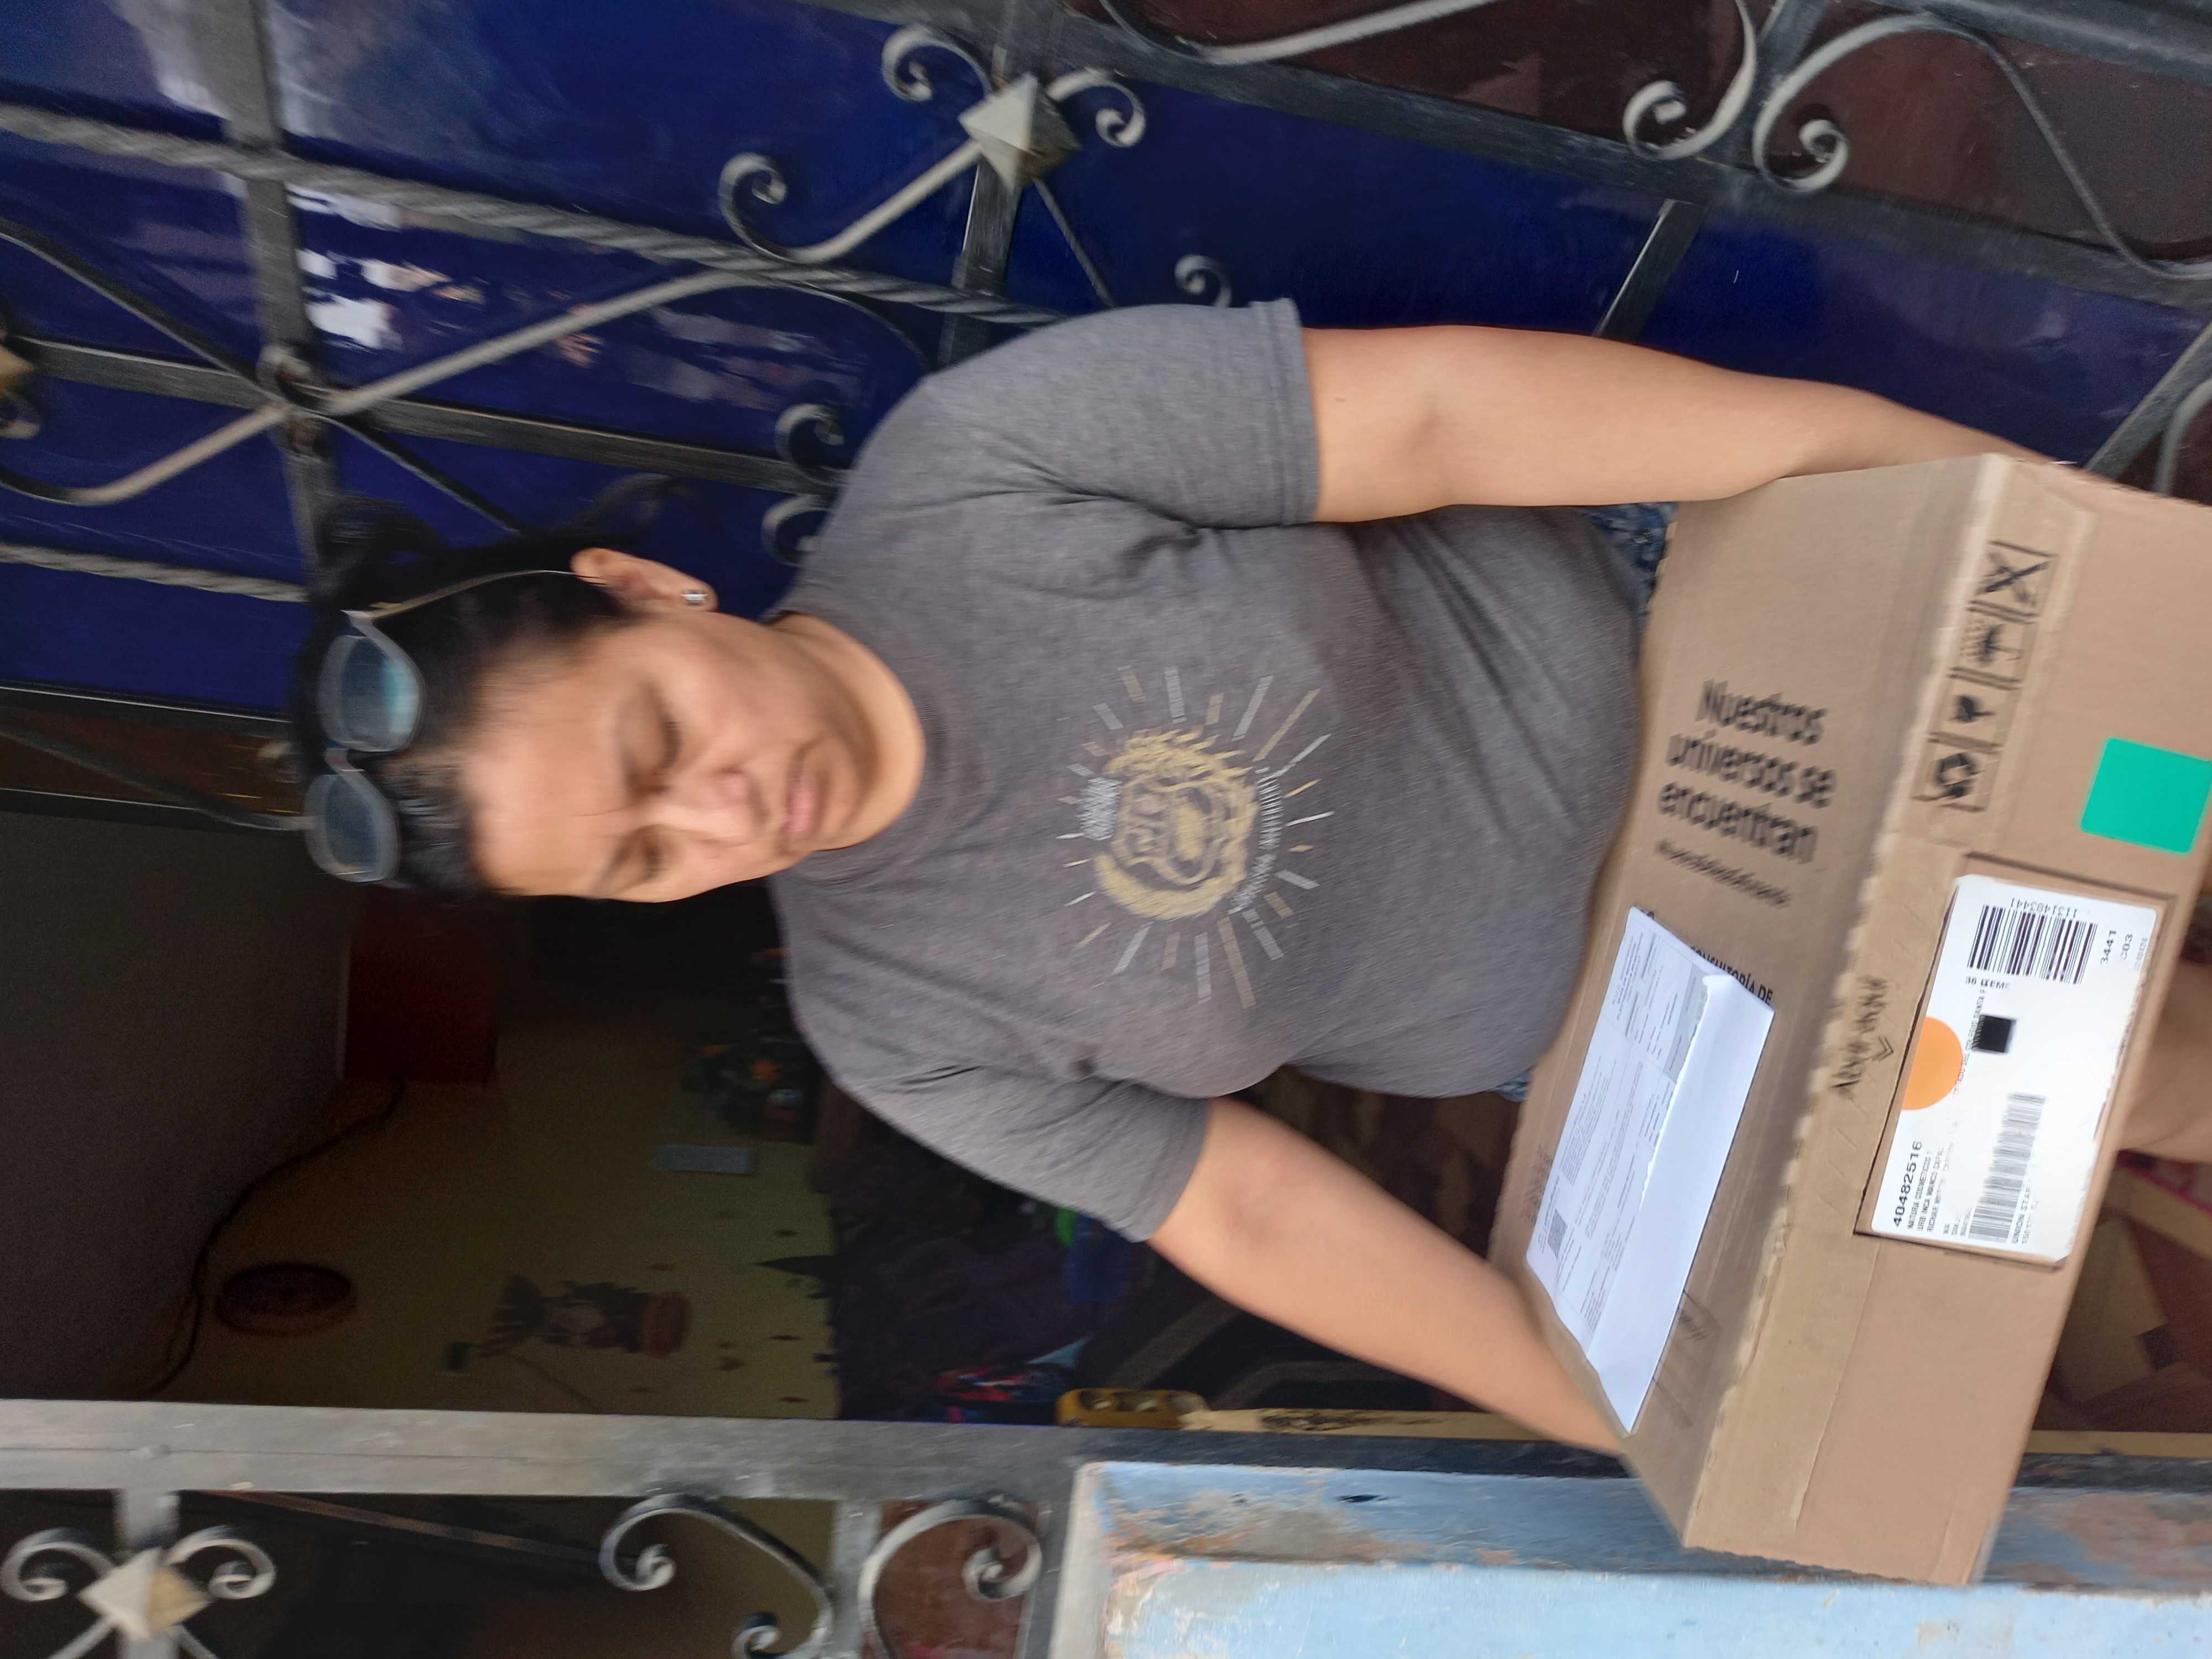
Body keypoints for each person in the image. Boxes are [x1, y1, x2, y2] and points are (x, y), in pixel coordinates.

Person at [293, 303, 2212, 1450]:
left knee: (2145, 773)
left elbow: (1449, 415)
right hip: (1667, 1016)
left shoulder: (979, 470)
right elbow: (1255, 1214)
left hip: (1726, 687)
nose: (720, 820)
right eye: (641, 860)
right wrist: (1618, 1416)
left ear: (647, 589)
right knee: (2096, 1060)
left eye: (657, 744)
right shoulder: (888, 1024)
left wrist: (1957, 495)